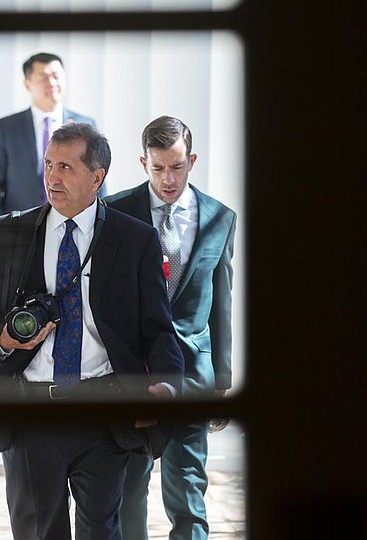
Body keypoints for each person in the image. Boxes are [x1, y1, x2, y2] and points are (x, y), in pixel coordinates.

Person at [0, 122, 184, 539]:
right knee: (40, 531)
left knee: (101, 530)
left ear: (97, 177)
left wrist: (167, 388)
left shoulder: (135, 240)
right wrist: (4, 339)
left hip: (104, 410)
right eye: (48, 164)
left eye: (65, 166)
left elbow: (158, 328)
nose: (51, 177)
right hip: (31, 411)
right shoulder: (6, 233)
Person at [104, 116, 236, 540]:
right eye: (158, 167)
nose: (168, 178)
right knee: (129, 489)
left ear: (192, 160)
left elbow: (222, 303)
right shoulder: (116, 212)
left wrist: (222, 380)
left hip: (195, 375)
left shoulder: (220, 217)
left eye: (177, 167)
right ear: (143, 162)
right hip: (136, 372)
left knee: (188, 490)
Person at [0, 52, 104, 224]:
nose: (52, 83)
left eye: (56, 76)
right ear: (27, 84)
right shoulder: (6, 128)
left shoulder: (86, 125)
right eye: (43, 78)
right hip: (22, 226)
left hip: (75, 224)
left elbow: (98, 180)